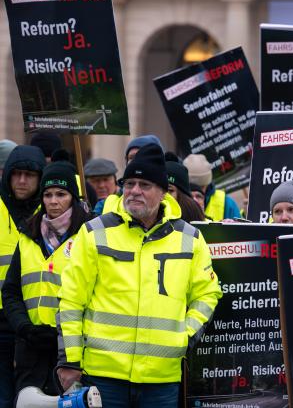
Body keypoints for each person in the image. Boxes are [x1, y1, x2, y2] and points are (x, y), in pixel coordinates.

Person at [56, 144, 222, 408]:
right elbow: (71, 301)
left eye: (144, 185)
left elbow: (208, 294)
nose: (134, 191)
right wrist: (70, 360)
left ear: (163, 192)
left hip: (161, 379)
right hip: (103, 376)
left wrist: (184, 337)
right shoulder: (95, 232)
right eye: (129, 183)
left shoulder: (190, 239)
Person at [1, 162, 92, 395]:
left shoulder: (88, 235)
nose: (53, 201)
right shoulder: (28, 236)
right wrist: (24, 328)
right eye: (48, 195)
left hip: (72, 350)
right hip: (31, 347)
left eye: (61, 194)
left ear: (73, 197)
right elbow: (11, 291)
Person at [0, 145, 46, 408]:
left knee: (32, 399)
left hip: (36, 324)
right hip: (1, 323)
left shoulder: (52, 210)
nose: (21, 180)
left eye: (29, 175)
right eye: (16, 174)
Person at [183, 153, 240, 221]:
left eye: (201, 187)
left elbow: (241, 230)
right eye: (190, 187)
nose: (196, 192)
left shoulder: (226, 203)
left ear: (208, 184)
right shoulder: (174, 201)